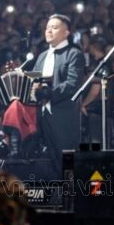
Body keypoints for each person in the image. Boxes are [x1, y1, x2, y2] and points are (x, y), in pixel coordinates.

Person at [24, 14, 84, 178]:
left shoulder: (74, 54)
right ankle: (58, 193)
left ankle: (71, 192)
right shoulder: (42, 56)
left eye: (54, 27)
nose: (49, 30)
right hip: (43, 116)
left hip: (64, 116)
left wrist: (48, 93)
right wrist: (25, 80)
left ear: (66, 33)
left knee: (68, 161)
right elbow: (35, 80)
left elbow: (72, 84)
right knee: (50, 162)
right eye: (47, 27)